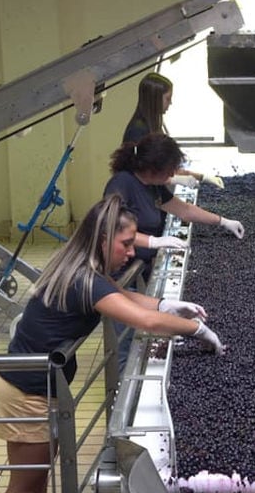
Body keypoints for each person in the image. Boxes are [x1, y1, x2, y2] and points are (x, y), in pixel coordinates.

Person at [0, 195, 225, 493]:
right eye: (125, 244)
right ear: (102, 240)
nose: (131, 253)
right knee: (24, 491)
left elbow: (123, 296)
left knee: (36, 486)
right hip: (25, 394)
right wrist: (197, 329)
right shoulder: (85, 280)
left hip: (34, 387)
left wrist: (168, 305)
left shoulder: (80, 266)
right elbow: (146, 322)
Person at [104, 132, 244, 372]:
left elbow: (185, 210)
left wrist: (223, 221)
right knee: (125, 339)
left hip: (140, 269)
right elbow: (109, 229)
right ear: (153, 167)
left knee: (142, 318)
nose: (173, 175)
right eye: (170, 169)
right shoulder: (122, 185)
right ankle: (121, 393)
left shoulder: (153, 186)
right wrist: (154, 241)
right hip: (120, 273)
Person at [123, 72, 224, 189]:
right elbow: (141, 174)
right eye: (167, 98)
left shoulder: (153, 126)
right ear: (155, 99)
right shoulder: (137, 132)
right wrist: (174, 179)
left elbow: (161, 167)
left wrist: (202, 177)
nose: (170, 103)